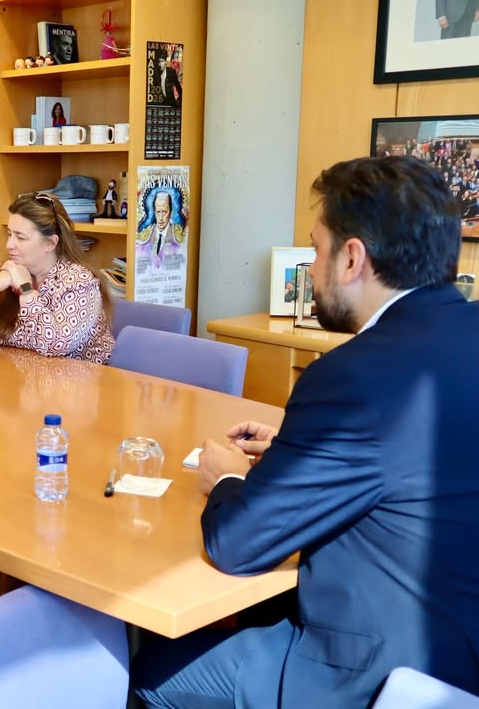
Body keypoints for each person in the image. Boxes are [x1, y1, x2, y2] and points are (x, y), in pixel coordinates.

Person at [133, 155, 479, 707]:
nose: (311, 270)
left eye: (316, 250)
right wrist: (301, 452)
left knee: (150, 670)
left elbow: (237, 546)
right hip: (462, 654)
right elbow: (417, 463)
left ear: (352, 259)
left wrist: (228, 479)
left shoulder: (353, 376)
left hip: (380, 673)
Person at [0, 193, 114, 364]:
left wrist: (26, 291)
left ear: (50, 243)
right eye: (10, 234)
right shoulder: (7, 273)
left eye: (21, 237)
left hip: (77, 383)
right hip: (22, 378)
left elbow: (55, 345)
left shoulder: (80, 282)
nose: (9, 244)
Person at [136, 187, 187, 270]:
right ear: (154, 212)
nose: (160, 218)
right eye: (158, 212)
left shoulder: (178, 236)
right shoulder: (145, 236)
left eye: (164, 212)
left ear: (170, 213)